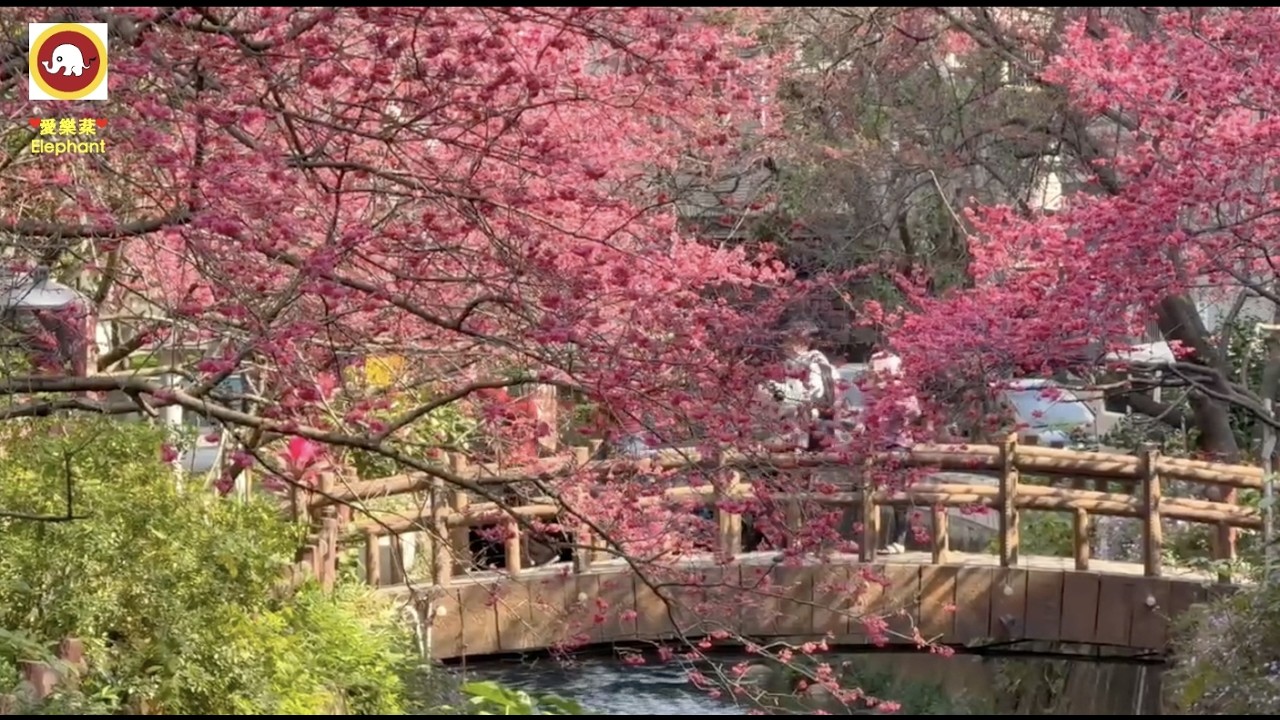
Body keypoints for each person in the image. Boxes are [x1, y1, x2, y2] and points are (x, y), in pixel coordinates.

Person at [866, 350, 921, 555]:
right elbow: (866, 418)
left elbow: (914, 412)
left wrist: (896, 401)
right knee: (869, 492)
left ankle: (899, 540)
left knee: (898, 494)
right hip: (876, 447)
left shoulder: (903, 390)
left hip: (898, 445)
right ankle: (869, 539)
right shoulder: (871, 393)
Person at [764, 320, 840, 452]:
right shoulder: (795, 362)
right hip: (797, 427)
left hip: (811, 430)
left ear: (802, 342)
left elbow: (820, 397)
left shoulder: (814, 361)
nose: (783, 345)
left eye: (788, 340)